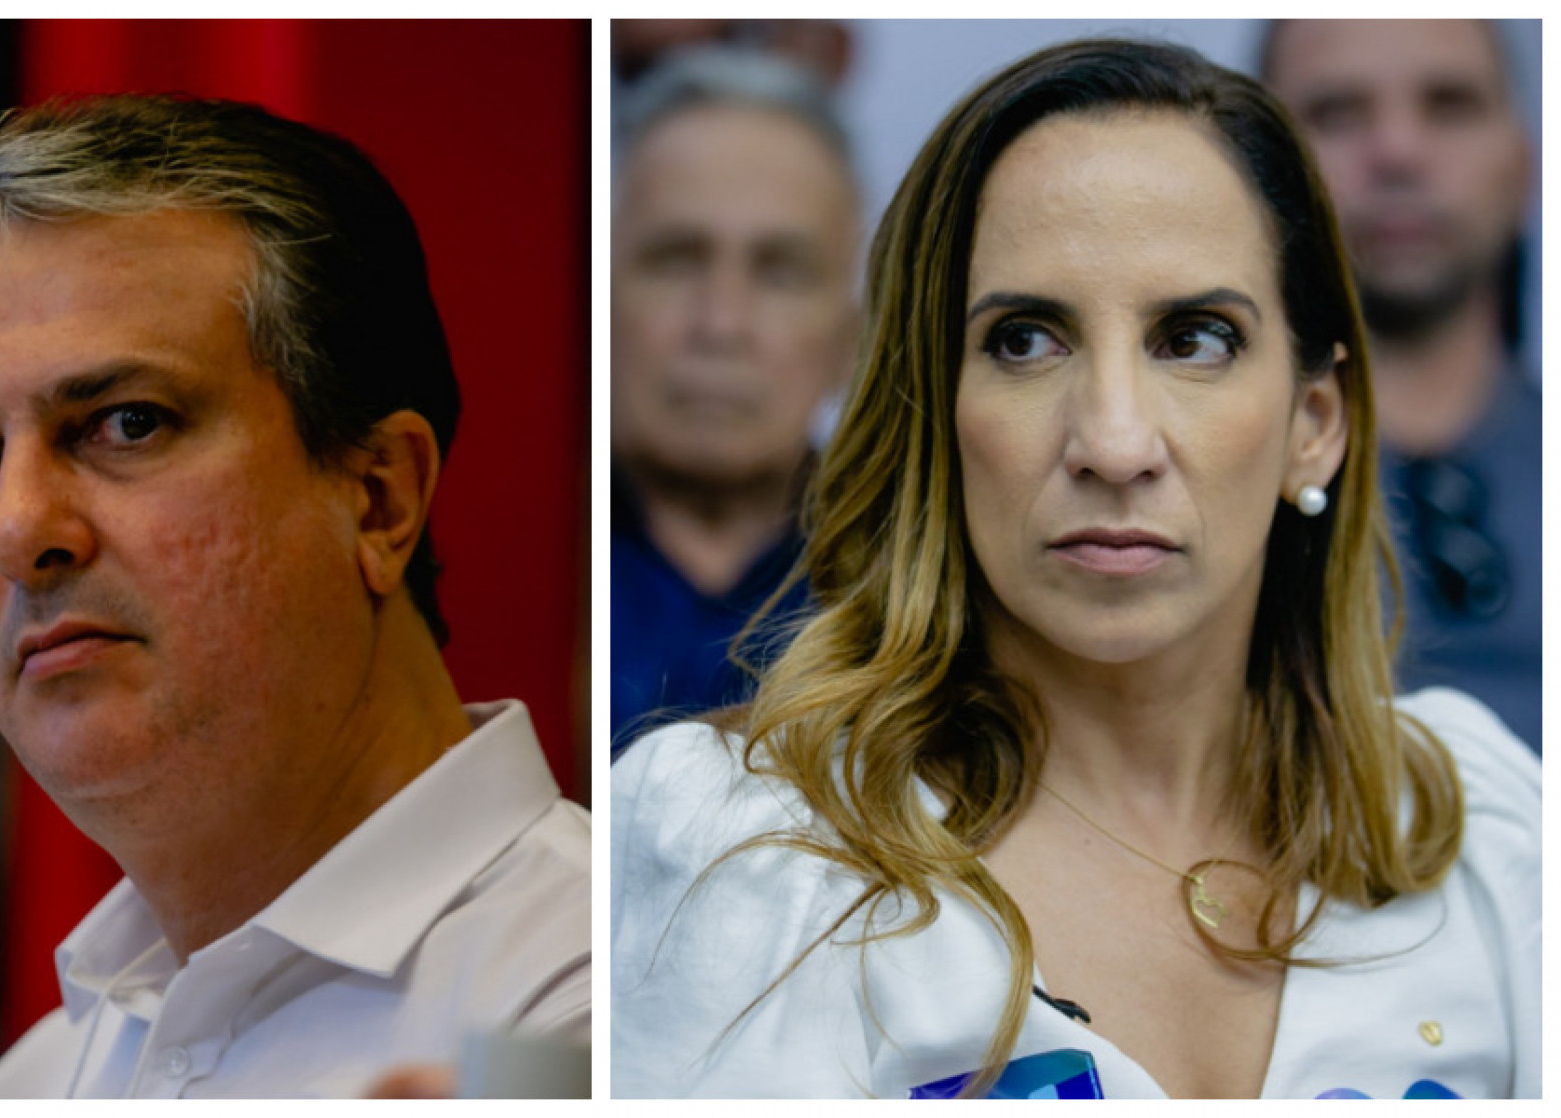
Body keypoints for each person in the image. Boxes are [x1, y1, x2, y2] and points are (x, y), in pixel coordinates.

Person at [612, 40, 1538, 1099]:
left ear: (1312, 424)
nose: (1111, 439)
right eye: (1025, 340)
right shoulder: (742, 846)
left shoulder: (1474, 822)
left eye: (1194, 337)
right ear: (933, 408)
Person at [0, 95, 590, 1098]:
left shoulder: (598, 1000)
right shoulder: (31, 1083)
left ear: (378, 497)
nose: (15, 529)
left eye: (126, 422)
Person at [1260, 20, 1540, 752]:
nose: (1397, 153)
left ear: (1525, 164)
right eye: (1337, 112)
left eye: (1449, 104)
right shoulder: (1185, 493)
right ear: (1254, 174)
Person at [610, 48, 859, 745]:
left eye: (780, 272)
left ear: (852, 335)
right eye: (676, 258)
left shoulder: (923, 597)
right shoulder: (513, 562)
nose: (720, 324)